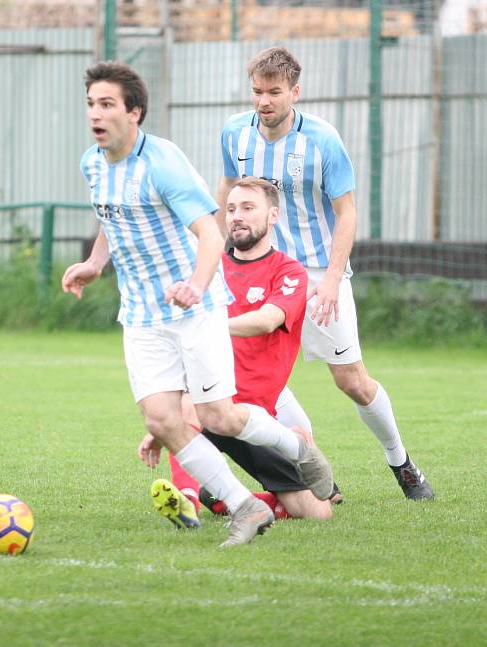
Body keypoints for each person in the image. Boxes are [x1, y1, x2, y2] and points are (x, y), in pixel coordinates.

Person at [62, 61, 334, 547]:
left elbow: (211, 233)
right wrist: (94, 263)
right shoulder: (91, 163)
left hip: (196, 307)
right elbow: (112, 214)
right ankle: (245, 507)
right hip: (142, 314)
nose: (95, 115)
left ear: (135, 112)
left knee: (218, 418)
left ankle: (298, 446)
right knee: (162, 420)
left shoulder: (163, 162)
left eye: (107, 105)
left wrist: (194, 284)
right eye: (90, 105)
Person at [216, 47, 433, 500]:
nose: (264, 101)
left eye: (274, 92)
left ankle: (402, 463)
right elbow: (227, 191)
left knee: (351, 380)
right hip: (259, 270)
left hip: (315, 272)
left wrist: (333, 277)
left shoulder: (322, 140)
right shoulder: (234, 133)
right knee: (254, 376)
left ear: (295, 91)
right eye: (257, 91)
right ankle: (315, 472)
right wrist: (222, 254)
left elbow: (346, 212)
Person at [140, 178, 334, 524]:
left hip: (254, 419)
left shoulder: (289, 271)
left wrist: (210, 323)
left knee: (316, 513)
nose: (236, 217)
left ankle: (236, 497)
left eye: (248, 208)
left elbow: (267, 320)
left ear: (273, 216)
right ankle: (187, 503)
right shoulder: (211, 270)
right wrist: (163, 426)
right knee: (184, 405)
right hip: (209, 404)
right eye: (231, 209)